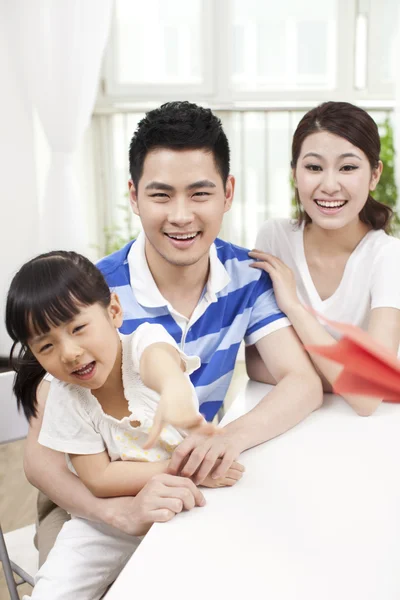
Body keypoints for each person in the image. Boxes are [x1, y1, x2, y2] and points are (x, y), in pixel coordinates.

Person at [23, 101, 323, 566]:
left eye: (199, 194)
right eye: (161, 195)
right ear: (134, 195)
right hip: (86, 493)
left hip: (184, 481)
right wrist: (115, 513)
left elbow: (302, 384)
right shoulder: (88, 298)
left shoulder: (245, 277)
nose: (181, 216)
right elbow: (41, 463)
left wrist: (225, 440)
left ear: (227, 193)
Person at [7, 250, 239, 599]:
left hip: (197, 495)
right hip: (109, 520)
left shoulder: (144, 341)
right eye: (47, 346)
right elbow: (99, 479)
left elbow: (157, 362)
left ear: (114, 311)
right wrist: (185, 469)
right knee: (54, 589)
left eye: (79, 328)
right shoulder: (63, 396)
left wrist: (173, 387)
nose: (69, 352)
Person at [249, 101, 400, 416]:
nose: (330, 186)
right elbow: (255, 363)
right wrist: (348, 377)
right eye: (314, 167)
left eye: (348, 167)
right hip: (293, 419)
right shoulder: (273, 239)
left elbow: (367, 396)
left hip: (368, 433)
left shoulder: (388, 257)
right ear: (294, 173)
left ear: (374, 175)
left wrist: (293, 306)